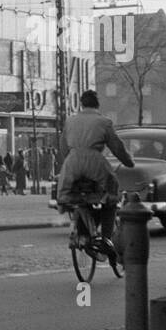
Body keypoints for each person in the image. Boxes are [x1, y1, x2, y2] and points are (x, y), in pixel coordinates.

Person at [56, 90, 135, 240]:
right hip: (94, 162)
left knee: (67, 194)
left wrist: (70, 159)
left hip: (72, 161)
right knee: (112, 193)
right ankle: (107, 238)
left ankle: (76, 221)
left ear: (82, 104)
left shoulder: (70, 120)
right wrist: (128, 162)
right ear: (97, 105)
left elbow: (63, 146)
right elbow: (116, 147)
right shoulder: (104, 122)